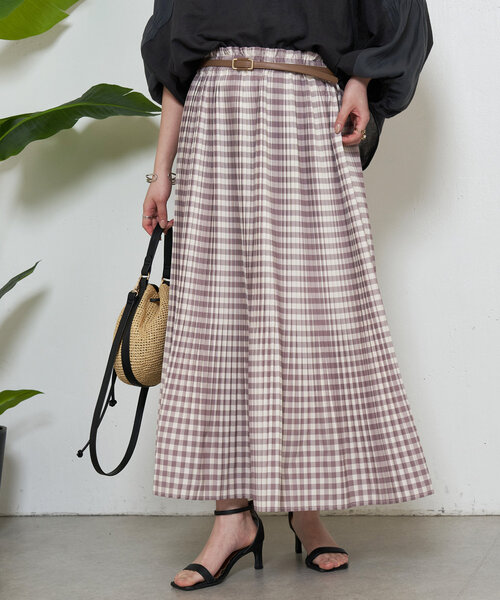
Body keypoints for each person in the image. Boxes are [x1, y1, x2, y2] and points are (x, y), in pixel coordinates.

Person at [140, 0, 435, 591]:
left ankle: (306, 506)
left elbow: (400, 12)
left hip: (307, 111)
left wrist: (360, 80)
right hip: (215, 120)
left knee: (313, 320)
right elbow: (175, 59)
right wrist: (161, 170)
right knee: (218, 323)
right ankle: (232, 518)